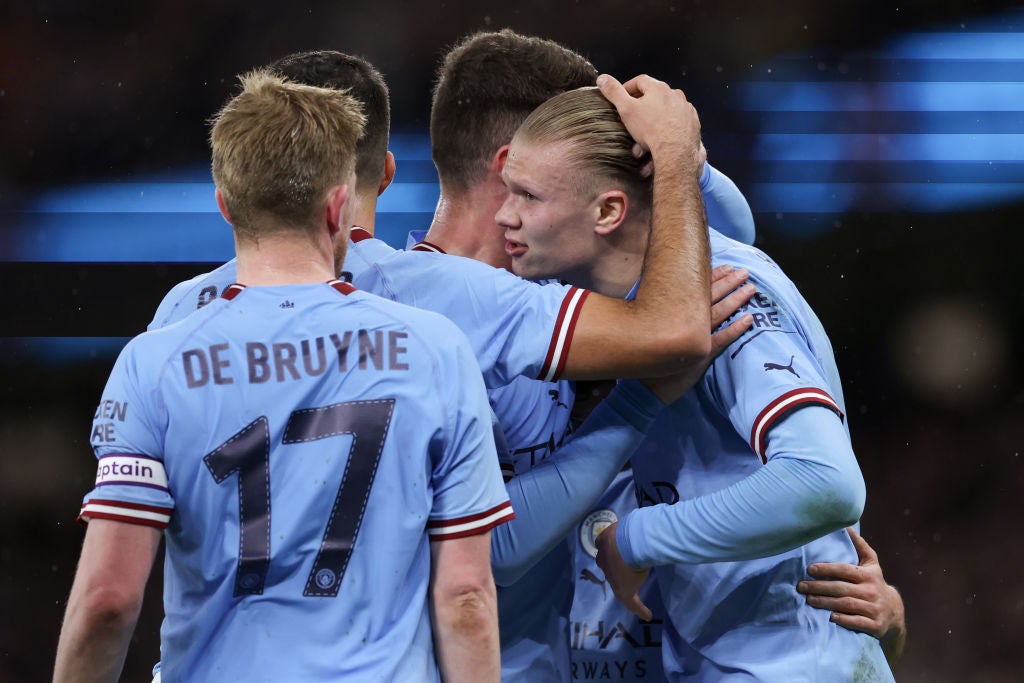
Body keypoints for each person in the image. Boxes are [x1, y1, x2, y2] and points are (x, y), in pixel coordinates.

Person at [53, 71, 511, 682]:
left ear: (225, 203)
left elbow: (108, 600)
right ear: (337, 206)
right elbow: (465, 599)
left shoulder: (154, 362)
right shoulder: (435, 350)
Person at [496, 80, 896, 680]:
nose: (506, 215)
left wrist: (637, 539)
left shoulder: (726, 297)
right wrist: (689, 164)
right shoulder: (645, 302)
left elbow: (826, 481)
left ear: (608, 211)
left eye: (526, 195)